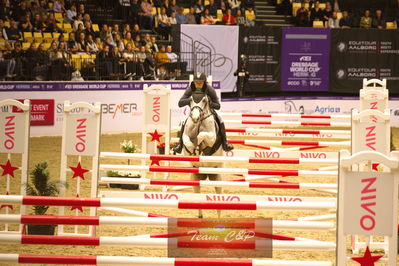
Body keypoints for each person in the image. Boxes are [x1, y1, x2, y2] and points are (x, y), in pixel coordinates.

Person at [173, 72, 234, 153]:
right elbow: (180, 103)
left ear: (204, 82)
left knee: (220, 118)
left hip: (207, 110)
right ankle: (180, 145)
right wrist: (189, 100)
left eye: (200, 83)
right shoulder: (190, 89)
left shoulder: (209, 89)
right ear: (193, 82)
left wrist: (210, 103)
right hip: (193, 110)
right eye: (196, 82)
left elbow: (218, 105)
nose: (198, 85)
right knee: (184, 120)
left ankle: (225, 143)